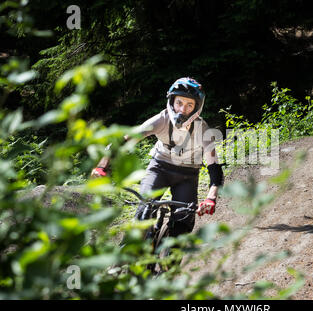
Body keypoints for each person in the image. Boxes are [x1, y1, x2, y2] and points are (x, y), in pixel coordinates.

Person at [91, 77, 223, 238]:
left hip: (188, 176)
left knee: (182, 226)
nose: (182, 109)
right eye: (179, 103)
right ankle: (127, 254)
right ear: (172, 101)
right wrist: (102, 165)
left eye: (190, 105)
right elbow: (126, 140)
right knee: (143, 214)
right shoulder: (162, 119)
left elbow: (214, 167)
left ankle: (171, 257)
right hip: (159, 168)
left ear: (197, 108)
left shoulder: (203, 129)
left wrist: (211, 197)